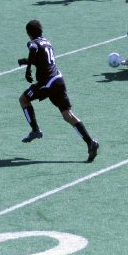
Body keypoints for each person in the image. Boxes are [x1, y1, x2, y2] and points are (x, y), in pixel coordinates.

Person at [18, 19, 99, 162]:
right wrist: (26, 61)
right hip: (58, 80)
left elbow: (33, 49)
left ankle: (35, 130)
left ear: (29, 33)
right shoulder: (47, 42)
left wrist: (28, 68)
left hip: (47, 83)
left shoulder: (33, 43)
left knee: (23, 99)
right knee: (68, 115)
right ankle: (90, 142)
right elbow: (42, 60)